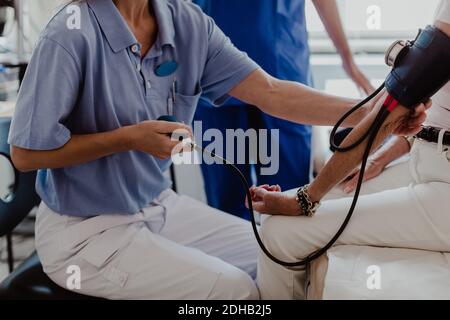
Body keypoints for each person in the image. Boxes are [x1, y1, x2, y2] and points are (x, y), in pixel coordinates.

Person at [8, 0, 425, 300]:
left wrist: (375, 112)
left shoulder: (185, 22)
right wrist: (127, 137)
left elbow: (272, 93)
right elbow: (26, 153)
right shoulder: (70, 33)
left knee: (285, 257)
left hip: (157, 206)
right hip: (83, 232)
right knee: (235, 293)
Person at [251, 0, 450, 300]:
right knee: (306, 204)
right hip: (427, 165)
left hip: (442, 189)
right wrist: (378, 159)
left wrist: (308, 197)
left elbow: (395, 106)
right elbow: (436, 121)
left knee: (277, 231)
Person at [193, 0, 374, 219]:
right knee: (227, 204)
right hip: (214, 74)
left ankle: (286, 252)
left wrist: (347, 59)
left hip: (283, 67)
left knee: (289, 198)